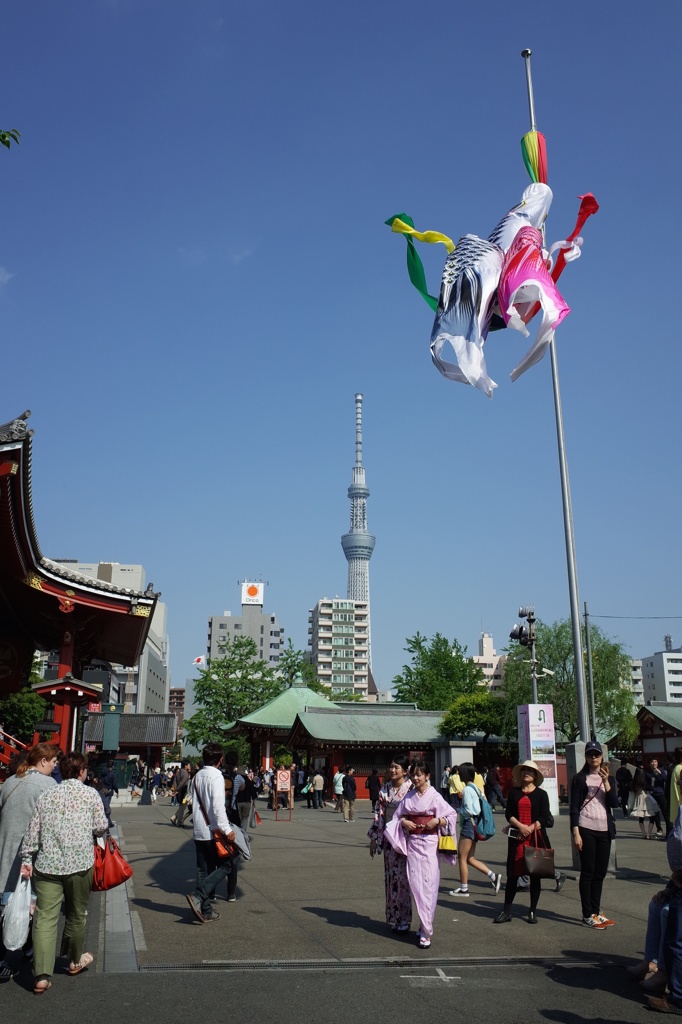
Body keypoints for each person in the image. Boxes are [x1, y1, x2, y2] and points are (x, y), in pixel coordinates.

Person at [20, 750, 109, 993]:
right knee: (77, 912)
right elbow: (100, 826)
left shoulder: (47, 794)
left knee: (45, 918)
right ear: (81, 771)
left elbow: (33, 830)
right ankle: (74, 959)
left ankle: (41, 975)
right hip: (79, 863)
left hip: (47, 865)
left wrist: (27, 857)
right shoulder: (90, 794)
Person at [0, 743, 59, 981]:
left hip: (5, 850)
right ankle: (19, 953)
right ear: (43, 761)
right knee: (32, 905)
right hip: (32, 854)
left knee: (8, 902)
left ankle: (9, 949)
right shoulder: (48, 785)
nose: (55, 767)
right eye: (53, 762)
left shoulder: (10, 782)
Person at [384, 760, 457, 948]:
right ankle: (423, 924)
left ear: (427, 776)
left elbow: (452, 815)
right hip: (414, 845)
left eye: (419, 775)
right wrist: (403, 823)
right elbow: (396, 817)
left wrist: (438, 821)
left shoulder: (435, 797)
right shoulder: (409, 797)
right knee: (416, 886)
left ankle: (426, 930)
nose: (415, 778)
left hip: (430, 845)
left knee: (430, 886)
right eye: (413, 775)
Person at [493, 760, 553, 924]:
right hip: (517, 840)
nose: (526, 773)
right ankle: (506, 911)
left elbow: (545, 817)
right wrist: (520, 826)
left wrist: (530, 828)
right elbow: (509, 814)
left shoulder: (541, 794)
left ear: (535, 775)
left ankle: (532, 911)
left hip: (535, 839)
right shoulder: (514, 793)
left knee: (535, 875)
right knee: (512, 875)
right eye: (524, 770)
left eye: (530, 771)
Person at [570, 739, 619, 929]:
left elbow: (614, 803)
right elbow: (574, 806)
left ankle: (596, 912)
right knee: (588, 872)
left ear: (601, 756)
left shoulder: (608, 778)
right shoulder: (580, 778)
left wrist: (606, 781)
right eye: (590, 754)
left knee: (600, 873)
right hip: (586, 828)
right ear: (586, 756)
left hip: (604, 829)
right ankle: (586, 914)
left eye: (596, 754)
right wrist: (576, 832)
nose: (593, 757)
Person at [186, 743, 236, 922]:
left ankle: (205, 910)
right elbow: (217, 806)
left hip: (199, 827)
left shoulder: (197, 775)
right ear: (220, 759)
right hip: (213, 829)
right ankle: (198, 895)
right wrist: (227, 829)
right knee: (228, 865)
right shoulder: (217, 776)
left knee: (203, 870)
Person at [367, 756, 413, 933]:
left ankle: (405, 918)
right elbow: (379, 814)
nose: (393, 770)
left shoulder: (410, 788)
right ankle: (394, 917)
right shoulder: (385, 789)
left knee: (404, 880)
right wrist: (374, 838)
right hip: (389, 838)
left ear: (405, 770)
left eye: (396, 767)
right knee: (391, 879)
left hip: (407, 839)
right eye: (391, 767)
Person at [449, 762, 501, 897]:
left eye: (460, 772)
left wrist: (458, 809)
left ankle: (464, 888)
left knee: (461, 856)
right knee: (469, 858)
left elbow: (471, 810)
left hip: (469, 824)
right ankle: (493, 876)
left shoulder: (467, 789)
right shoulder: (476, 788)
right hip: (475, 824)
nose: (458, 774)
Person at [628, 767, 660, 840]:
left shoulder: (634, 783)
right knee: (651, 817)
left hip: (638, 800)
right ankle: (649, 834)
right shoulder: (644, 782)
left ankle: (643, 834)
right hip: (645, 799)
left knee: (641, 818)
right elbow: (651, 788)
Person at [647, 759, 668, 837]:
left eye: (655, 762)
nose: (654, 763)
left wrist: (659, 773)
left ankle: (669, 829)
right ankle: (659, 828)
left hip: (661, 794)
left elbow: (665, 779)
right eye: (652, 762)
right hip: (652, 794)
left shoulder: (661, 770)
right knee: (655, 813)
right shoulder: (648, 772)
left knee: (665, 812)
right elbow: (646, 783)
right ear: (649, 763)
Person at [170, 760, 192, 827]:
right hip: (184, 792)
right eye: (188, 765)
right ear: (185, 766)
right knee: (183, 806)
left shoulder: (179, 772)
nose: (189, 766)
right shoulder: (185, 773)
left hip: (180, 792)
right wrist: (178, 789)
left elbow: (175, 781)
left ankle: (174, 817)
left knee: (182, 806)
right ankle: (179, 821)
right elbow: (183, 782)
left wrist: (176, 789)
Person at [98, 759, 119, 829]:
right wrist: (117, 791)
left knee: (104, 806)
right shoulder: (112, 774)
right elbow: (114, 784)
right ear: (112, 766)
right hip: (109, 791)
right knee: (107, 807)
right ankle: (107, 822)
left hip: (102, 790)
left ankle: (108, 822)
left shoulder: (103, 772)